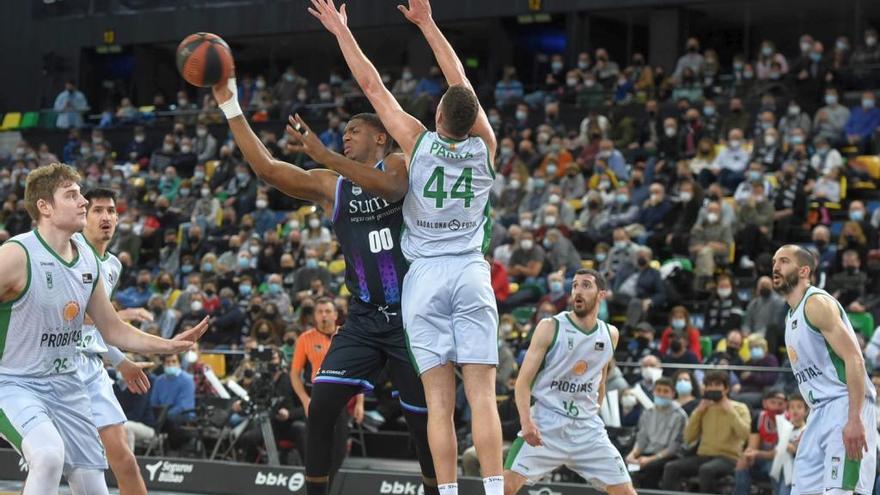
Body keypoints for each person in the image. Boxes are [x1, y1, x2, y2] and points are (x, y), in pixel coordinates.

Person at [212, 51, 436, 495]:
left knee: (422, 424)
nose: (346, 137)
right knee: (321, 407)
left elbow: (390, 188)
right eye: (344, 132)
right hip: (365, 319)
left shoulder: (399, 165)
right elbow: (268, 170)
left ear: (381, 138)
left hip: (412, 319)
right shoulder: (332, 185)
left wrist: (325, 153)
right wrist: (231, 106)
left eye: (355, 132)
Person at [310, 1, 502, 493]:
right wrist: (429, 24)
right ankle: (496, 489)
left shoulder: (416, 141)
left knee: (438, 404)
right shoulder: (485, 146)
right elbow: (460, 82)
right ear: (472, 115)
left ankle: (449, 491)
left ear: (438, 113)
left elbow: (372, 86)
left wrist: (340, 32)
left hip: (425, 276)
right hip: (470, 270)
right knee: (481, 396)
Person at [0, 163, 207, 495]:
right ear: (45, 207)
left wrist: (168, 345)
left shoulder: (87, 258)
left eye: (81, 194)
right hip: (16, 382)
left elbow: (112, 328)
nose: (82, 201)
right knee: (49, 456)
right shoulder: (16, 255)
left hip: (68, 384)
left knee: (94, 483)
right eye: (72, 195)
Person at [504, 269, 636, 495]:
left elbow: (600, 381)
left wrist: (592, 414)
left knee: (626, 492)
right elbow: (523, 382)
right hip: (546, 424)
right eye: (574, 285)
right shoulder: (550, 327)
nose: (577, 291)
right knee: (503, 489)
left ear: (601, 294)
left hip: (586, 429)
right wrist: (526, 422)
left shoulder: (610, 334)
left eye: (586, 285)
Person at [771, 244, 877, 493]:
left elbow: (855, 359)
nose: (776, 267)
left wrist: (854, 417)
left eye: (784, 261)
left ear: (804, 271)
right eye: (775, 262)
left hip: (845, 404)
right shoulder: (790, 316)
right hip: (818, 411)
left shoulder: (816, 304)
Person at [76, 188, 156, 495]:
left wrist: (121, 361)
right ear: (83, 216)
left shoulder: (113, 265)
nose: (106, 217)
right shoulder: (70, 253)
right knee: (55, 462)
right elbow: (78, 315)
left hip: (92, 365)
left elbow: (102, 327)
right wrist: (124, 316)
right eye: (97, 210)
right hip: (55, 365)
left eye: (111, 210)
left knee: (124, 459)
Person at [290, 298, 363, 487]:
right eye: (320, 311)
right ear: (314, 315)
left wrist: (360, 402)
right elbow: (295, 374)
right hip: (317, 398)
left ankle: (326, 489)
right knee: (317, 450)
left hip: (341, 399)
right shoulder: (305, 338)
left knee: (339, 452)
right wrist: (305, 400)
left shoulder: (347, 335)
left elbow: (358, 370)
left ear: (336, 314)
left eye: (328, 311)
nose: (324, 315)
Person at [660, 371, 751, 493]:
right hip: (703, 456)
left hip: (728, 458)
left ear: (726, 388)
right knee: (671, 467)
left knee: (706, 470)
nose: (713, 388)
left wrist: (730, 411)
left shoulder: (739, 408)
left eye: (717, 384)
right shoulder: (703, 408)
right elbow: (688, 437)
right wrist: (698, 412)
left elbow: (744, 434)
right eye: (709, 385)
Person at [626, 377, 688, 489]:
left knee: (650, 468)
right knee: (627, 465)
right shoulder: (647, 413)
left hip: (669, 456)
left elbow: (673, 448)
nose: (661, 394)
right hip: (648, 453)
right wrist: (633, 454)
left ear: (673, 394)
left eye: (665, 391)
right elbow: (642, 439)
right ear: (653, 392)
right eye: (658, 390)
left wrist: (649, 459)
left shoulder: (680, 416)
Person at [732, 389, 787, 495]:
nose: (776, 407)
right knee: (742, 462)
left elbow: (779, 453)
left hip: (782, 461)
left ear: (786, 405)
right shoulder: (759, 418)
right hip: (763, 460)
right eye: (773, 402)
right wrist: (748, 455)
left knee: (774, 466)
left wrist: (756, 453)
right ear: (764, 403)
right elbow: (752, 447)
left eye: (780, 404)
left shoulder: (789, 420)